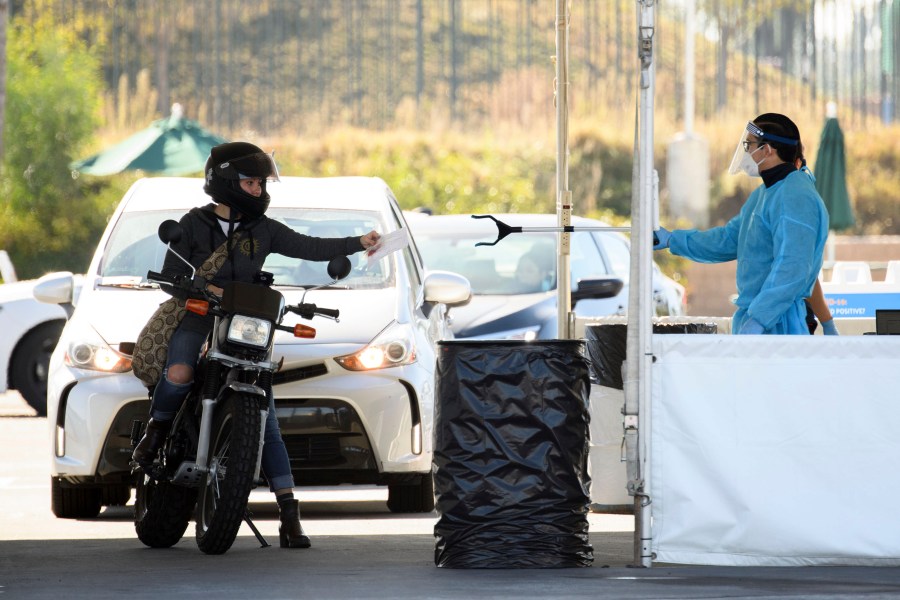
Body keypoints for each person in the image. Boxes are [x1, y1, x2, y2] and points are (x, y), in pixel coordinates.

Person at [131, 142, 381, 548]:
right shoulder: (192, 224)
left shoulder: (262, 229)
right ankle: (157, 433)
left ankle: (289, 511)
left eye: (262, 182)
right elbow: (171, 274)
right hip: (198, 315)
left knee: (267, 422)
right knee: (178, 371)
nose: (259, 190)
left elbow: (309, 247)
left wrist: (358, 242)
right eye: (251, 182)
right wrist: (199, 285)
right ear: (227, 182)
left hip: (244, 324)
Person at [653, 113, 829, 335]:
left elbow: (792, 268)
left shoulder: (796, 196)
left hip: (781, 324)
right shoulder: (765, 194)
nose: (747, 152)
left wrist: (759, 321)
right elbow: (727, 240)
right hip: (760, 319)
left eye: (749, 145)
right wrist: (672, 239)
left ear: (767, 150)